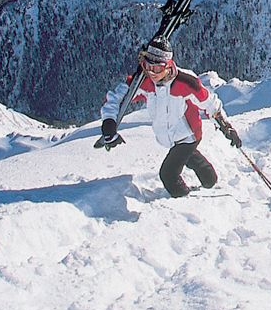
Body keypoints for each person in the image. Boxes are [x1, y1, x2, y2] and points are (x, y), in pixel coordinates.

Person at [96, 39, 241, 198]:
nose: (152, 72)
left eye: (157, 68)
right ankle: (209, 179)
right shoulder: (143, 81)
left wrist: (225, 126)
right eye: (147, 66)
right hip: (170, 137)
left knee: (168, 174)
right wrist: (109, 123)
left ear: (167, 65)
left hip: (189, 135)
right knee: (189, 157)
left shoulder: (185, 82)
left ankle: (185, 201)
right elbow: (116, 98)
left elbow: (210, 104)